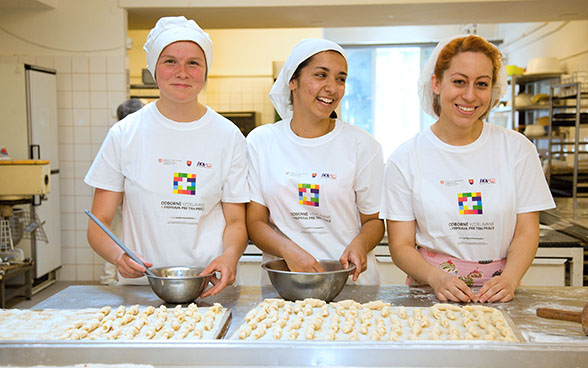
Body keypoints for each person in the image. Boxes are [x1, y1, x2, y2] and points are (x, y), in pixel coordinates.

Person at [380, 34, 555, 303]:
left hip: (500, 293)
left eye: (482, 84)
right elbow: (400, 245)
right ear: (436, 83)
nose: (470, 95)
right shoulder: (406, 158)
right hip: (432, 294)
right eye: (459, 82)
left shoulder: (517, 149)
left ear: (493, 89)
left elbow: (527, 230)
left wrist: (509, 279)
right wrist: (436, 277)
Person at [85, 16, 249, 297]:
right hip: (142, 288)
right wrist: (118, 257)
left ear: (206, 70)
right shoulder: (125, 134)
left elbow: (236, 221)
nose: (182, 72)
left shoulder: (228, 136)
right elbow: (98, 222)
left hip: (209, 285)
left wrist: (230, 256)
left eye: (193, 63)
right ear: (154, 68)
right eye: (170, 61)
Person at [247, 38, 384, 284]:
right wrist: (287, 250)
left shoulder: (362, 145)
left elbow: (373, 221)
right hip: (285, 283)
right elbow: (255, 221)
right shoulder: (262, 142)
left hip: (348, 282)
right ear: (292, 81)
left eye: (340, 79)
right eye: (321, 75)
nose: (332, 88)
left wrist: (361, 244)